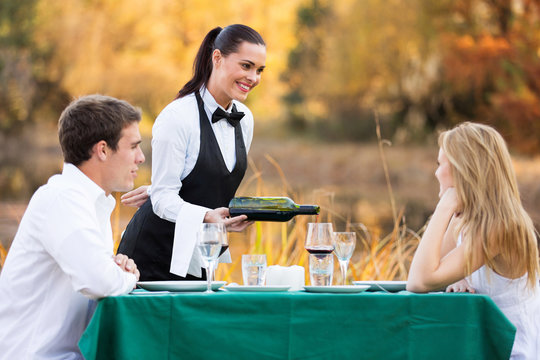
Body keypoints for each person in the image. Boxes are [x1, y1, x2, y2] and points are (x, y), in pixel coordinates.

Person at [0, 95, 145, 359]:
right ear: (102, 150)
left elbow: (99, 276)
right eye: (134, 146)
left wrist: (114, 270)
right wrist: (129, 277)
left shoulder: (90, 203)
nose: (141, 158)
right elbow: (99, 281)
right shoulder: (62, 200)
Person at [118, 24, 265, 281]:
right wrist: (207, 215)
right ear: (217, 58)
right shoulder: (177, 117)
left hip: (202, 255)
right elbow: (164, 200)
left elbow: (211, 181)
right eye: (246, 66)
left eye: (259, 70)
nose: (253, 78)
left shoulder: (245, 120)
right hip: (151, 257)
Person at [407, 122, 540, 358]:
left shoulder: (501, 226)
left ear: (463, 168)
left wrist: (444, 206)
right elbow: (429, 271)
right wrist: (460, 277)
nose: (436, 172)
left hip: (511, 352)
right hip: (484, 347)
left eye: (441, 164)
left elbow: (419, 281)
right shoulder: (469, 221)